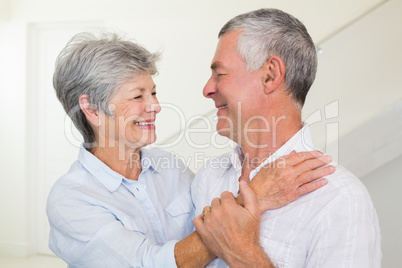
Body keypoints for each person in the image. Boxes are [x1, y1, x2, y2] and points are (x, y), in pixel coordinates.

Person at [46, 32, 334, 267]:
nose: (156, 106)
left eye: (154, 92)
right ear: (91, 109)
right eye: (138, 96)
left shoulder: (170, 167)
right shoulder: (71, 200)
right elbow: (147, 264)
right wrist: (255, 196)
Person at [193, 8, 382, 267]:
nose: (207, 89)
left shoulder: (341, 200)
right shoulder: (208, 177)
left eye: (220, 74)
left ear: (270, 75)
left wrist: (244, 253)